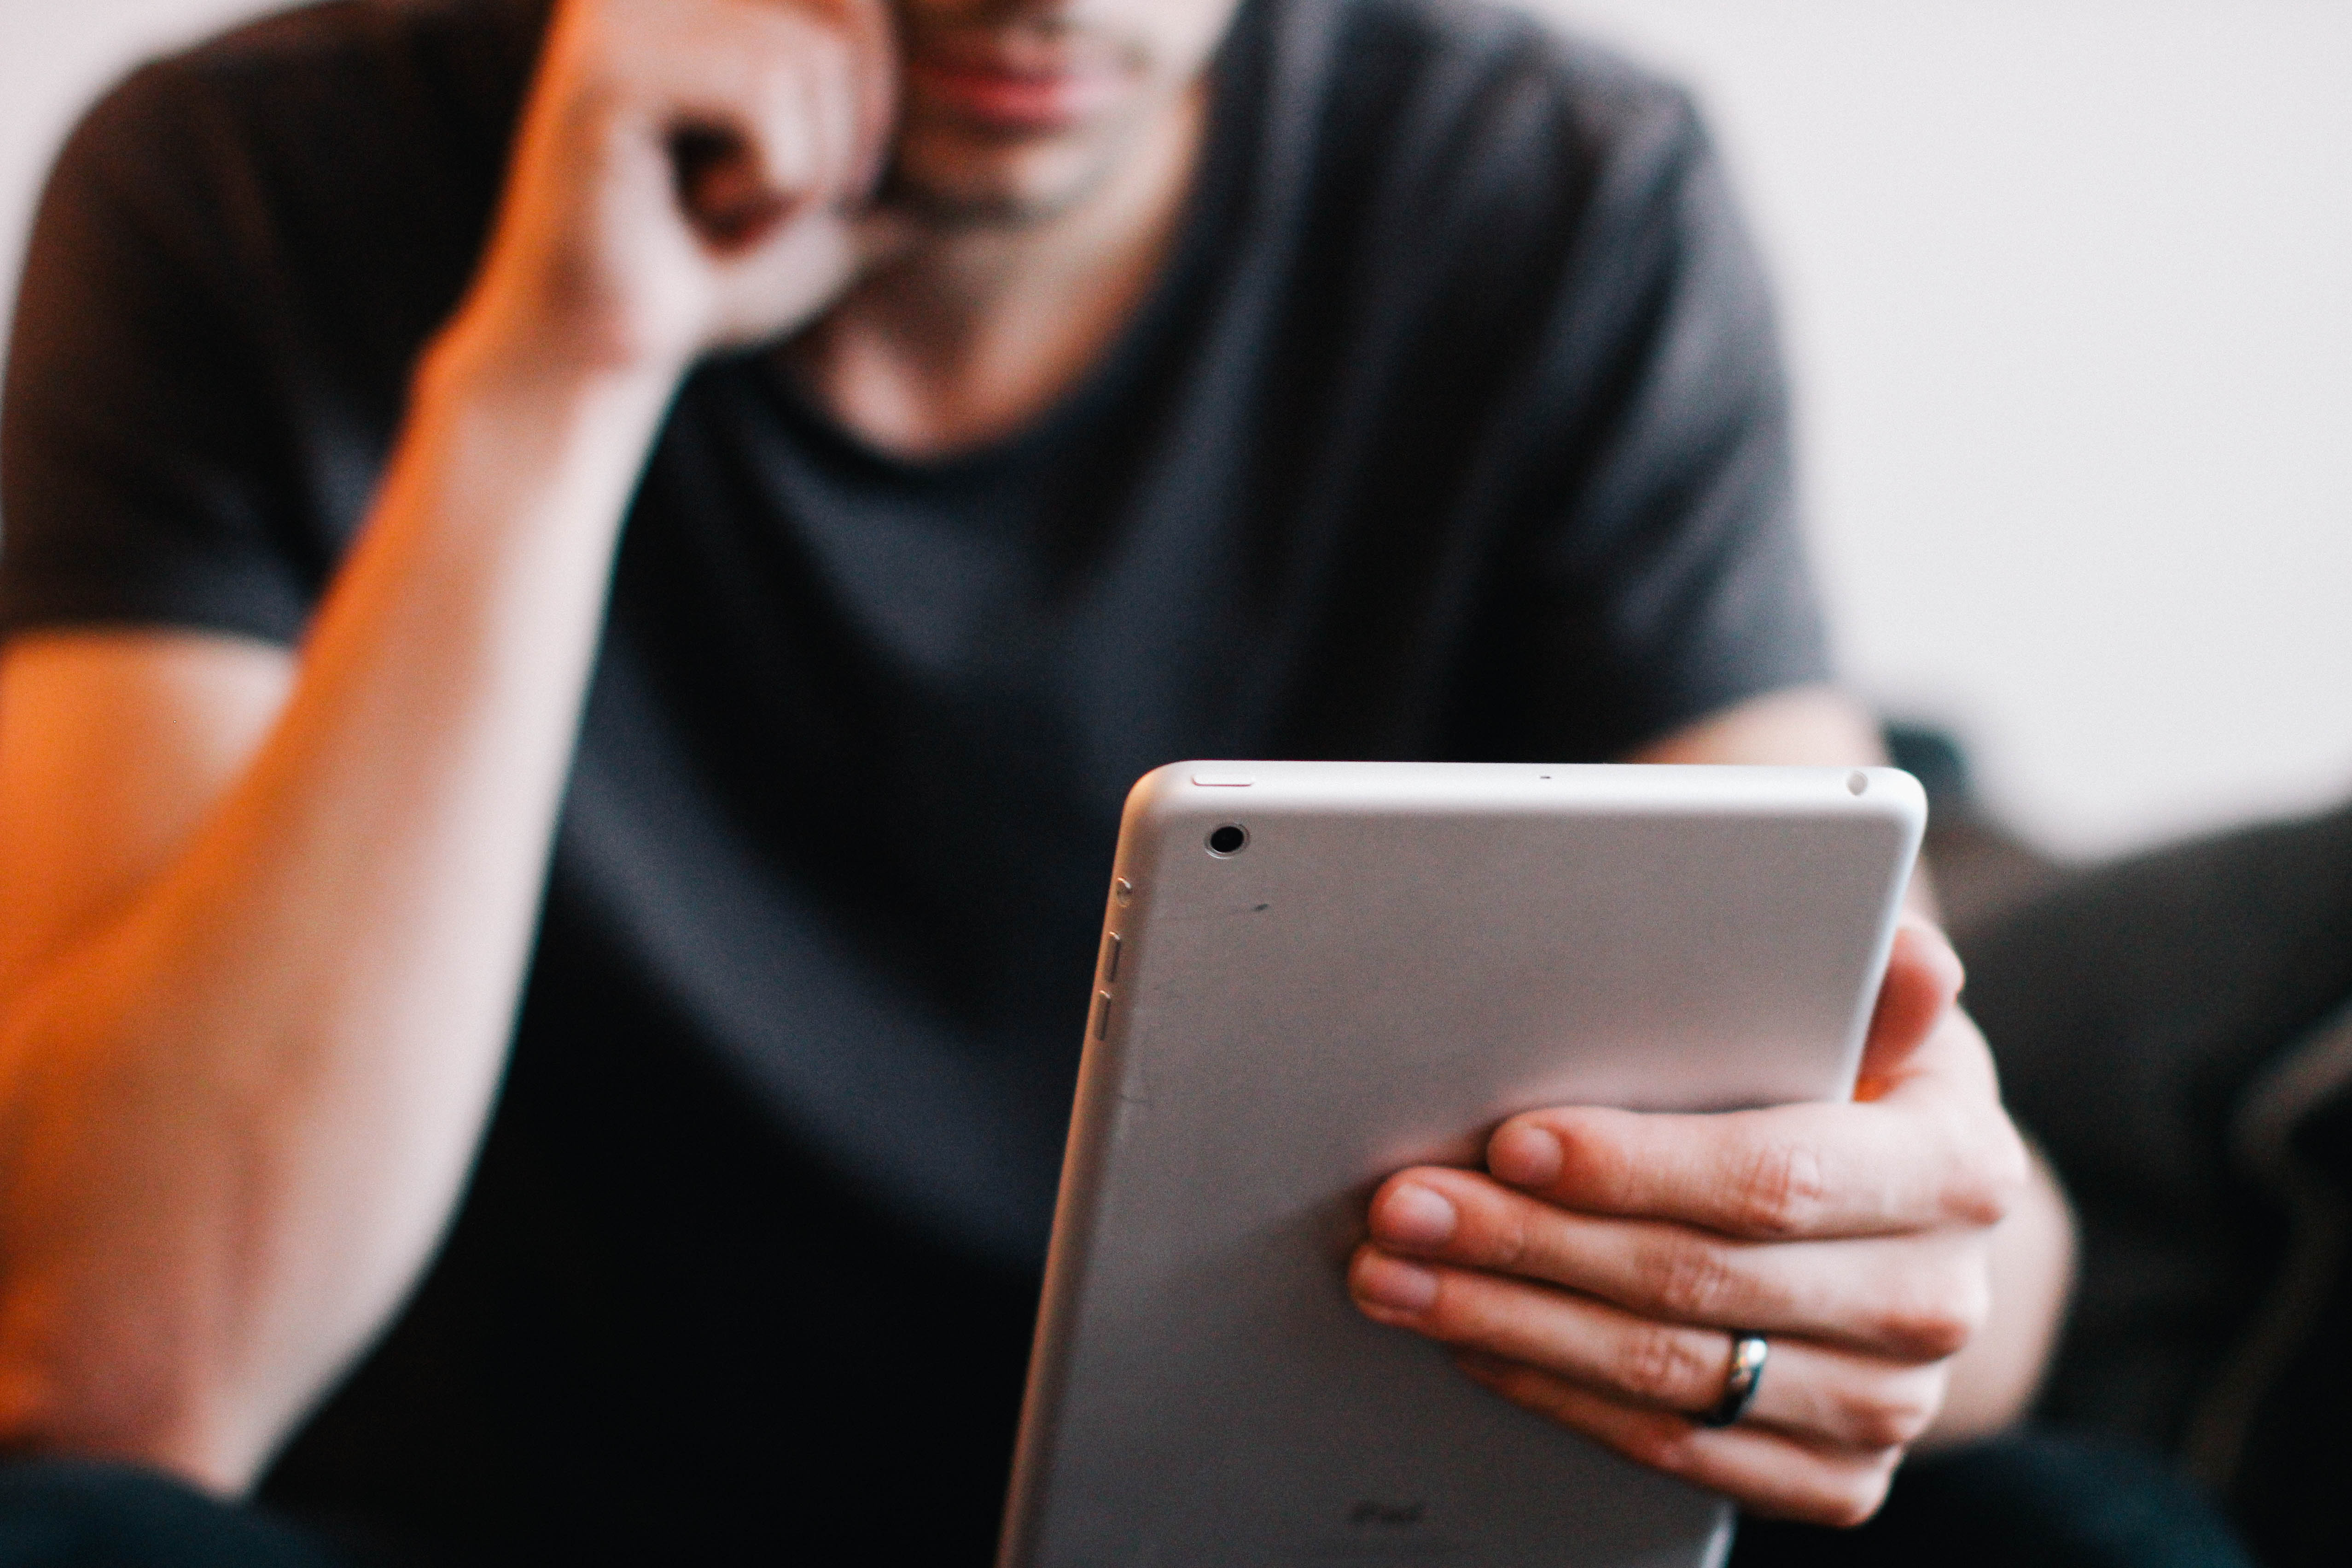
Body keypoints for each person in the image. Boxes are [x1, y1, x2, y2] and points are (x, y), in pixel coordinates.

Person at [0, 0, 2075, 1560]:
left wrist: (1862, 1270)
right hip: (502, 1520)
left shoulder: (1548, 196)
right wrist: (555, 374)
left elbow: (1970, 1293)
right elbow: (105, 1371)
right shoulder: (243, 181)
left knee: (2069, 1530)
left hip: (1280, 1534)